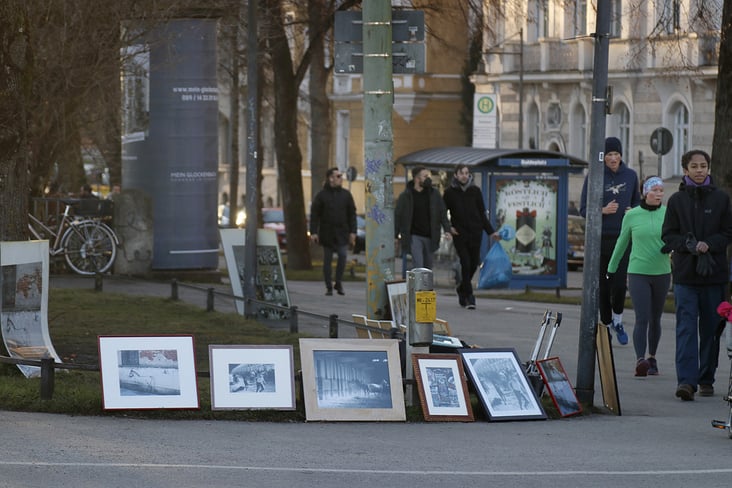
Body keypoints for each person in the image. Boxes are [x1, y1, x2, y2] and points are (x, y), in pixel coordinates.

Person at [661, 149, 732, 401]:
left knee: (712, 330)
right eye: (695, 166)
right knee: (686, 329)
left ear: (708, 168)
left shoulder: (722, 199)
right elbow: (668, 236)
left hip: (714, 276)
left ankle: (706, 378)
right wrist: (689, 245)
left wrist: (708, 245)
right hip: (685, 276)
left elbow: (727, 232)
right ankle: (686, 382)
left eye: (703, 166)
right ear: (685, 169)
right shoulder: (677, 201)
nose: (700, 170)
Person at [607, 176, 671, 377]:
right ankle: (640, 360)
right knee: (642, 317)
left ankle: (652, 358)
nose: (659, 194)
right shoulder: (632, 215)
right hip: (638, 272)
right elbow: (621, 242)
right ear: (645, 192)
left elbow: (676, 237)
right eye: (655, 190)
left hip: (662, 272)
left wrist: (672, 246)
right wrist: (611, 269)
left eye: (662, 191)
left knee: (655, 318)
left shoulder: (668, 213)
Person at [580, 136, 641, 345]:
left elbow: (638, 203)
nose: (613, 158)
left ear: (621, 155)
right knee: (604, 285)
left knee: (619, 283)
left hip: (623, 238)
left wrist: (634, 210)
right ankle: (606, 322)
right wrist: (602, 211)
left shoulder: (631, 176)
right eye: (609, 155)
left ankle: (618, 319)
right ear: (603, 157)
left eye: (616, 154)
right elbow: (583, 210)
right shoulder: (594, 176)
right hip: (600, 240)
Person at [443, 164, 499, 309]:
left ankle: (462, 288)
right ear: (455, 175)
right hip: (460, 234)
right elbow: (443, 213)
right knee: (465, 263)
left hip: (476, 232)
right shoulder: (449, 192)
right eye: (461, 173)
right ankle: (469, 297)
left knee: (474, 263)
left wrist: (491, 232)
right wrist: (449, 228)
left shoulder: (475, 191)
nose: (464, 176)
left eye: (466, 173)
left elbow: (482, 213)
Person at [309, 168, 357, 296]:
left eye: (341, 176)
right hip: (327, 232)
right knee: (327, 260)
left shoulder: (346, 195)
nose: (341, 178)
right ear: (331, 178)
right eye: (338, 176)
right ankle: (329, 286)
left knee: (342, 256)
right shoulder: (322, 195)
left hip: (342, 232)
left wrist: (353, 232)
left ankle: (339, 282)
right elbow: (315, 215)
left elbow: (352, 214)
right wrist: (313, 232)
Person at [395, 166, 451, 271]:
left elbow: (442, 212)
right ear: (417, 178)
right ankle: (418, 287)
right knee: (419, 265)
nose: (428, 179)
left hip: (430, 236)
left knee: (428, 267)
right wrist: (395, 235)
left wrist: (447, 229)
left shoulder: (434, 194)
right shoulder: (406, 196)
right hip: (414, 236)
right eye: (425, 176)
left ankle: (426, 287)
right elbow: (398, 215)